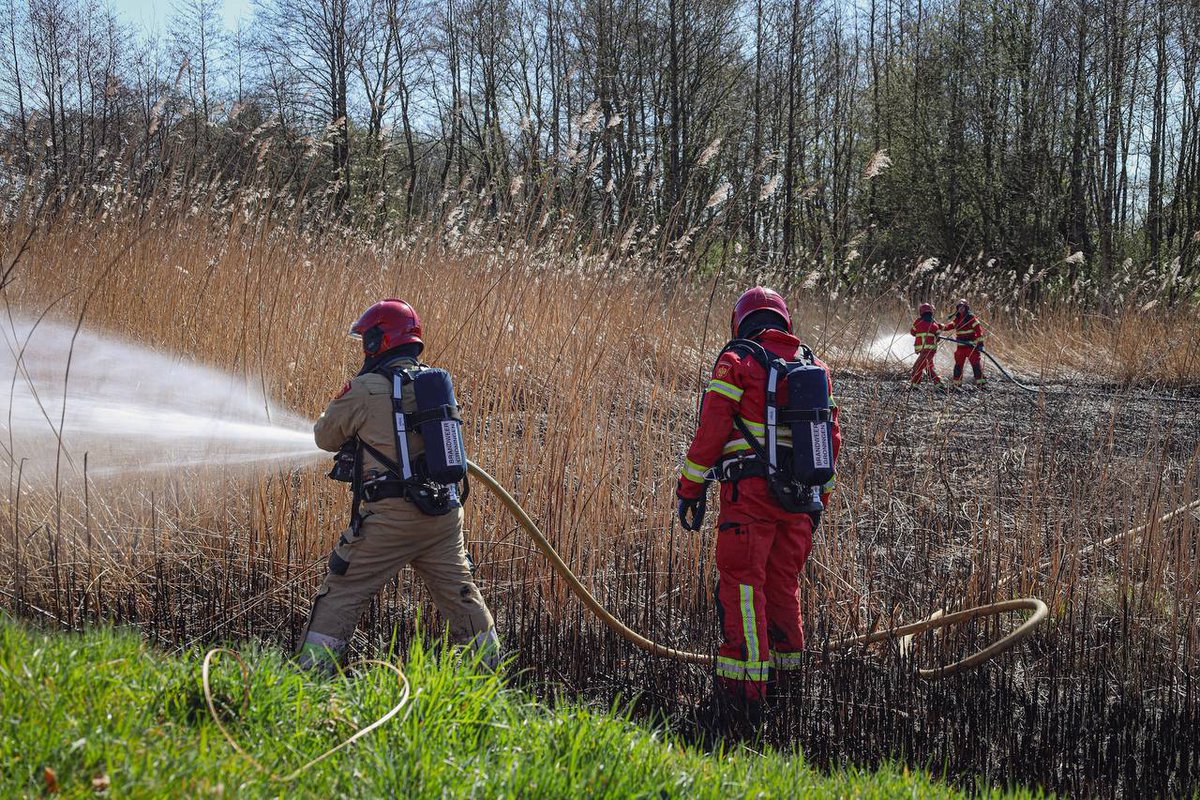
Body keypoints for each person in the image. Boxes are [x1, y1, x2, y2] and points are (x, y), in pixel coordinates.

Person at [297, 299, 500, 673]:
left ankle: (311, 675)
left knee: (343, 591)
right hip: (443, 517)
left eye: (366, 340)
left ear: (378, 342)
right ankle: (489, 676)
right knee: (462, 596)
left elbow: (325, 436)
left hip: (390, 520)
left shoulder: (364, 388)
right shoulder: (434, 385)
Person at [676, 287, 841, 739]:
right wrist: (816, 506)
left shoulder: (738, 361)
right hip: (800, 504)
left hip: (748, 502)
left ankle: (742, 701)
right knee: (783, 590)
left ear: (739, 321)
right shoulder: (813, 367)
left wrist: (690, 489)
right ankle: (788, 693)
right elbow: (833, 442)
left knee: (744, 592)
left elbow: (711, 432)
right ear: (783, 320)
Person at [944, 298, 987, 388]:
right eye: (959, 307)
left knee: (976, 365)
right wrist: (940, 327)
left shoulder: (971, 318)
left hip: (971, 347)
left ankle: (981, 383)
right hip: (960, 348)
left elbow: (979, 331)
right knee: (958, 366)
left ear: (966, 307)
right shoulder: (958, 318)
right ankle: (957, 385)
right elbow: (951, 326)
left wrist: (980, 343)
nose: (961, 309)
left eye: (962, 307)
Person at [909, 302, 943, 386]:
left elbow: (912, 332)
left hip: (924, 351)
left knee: (917, 367)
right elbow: (938, 337)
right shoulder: (934, 324)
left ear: (921, 312)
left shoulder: (918, 321)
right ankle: (938, 384)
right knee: (928, 367)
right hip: (931, 351)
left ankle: (914, 385)